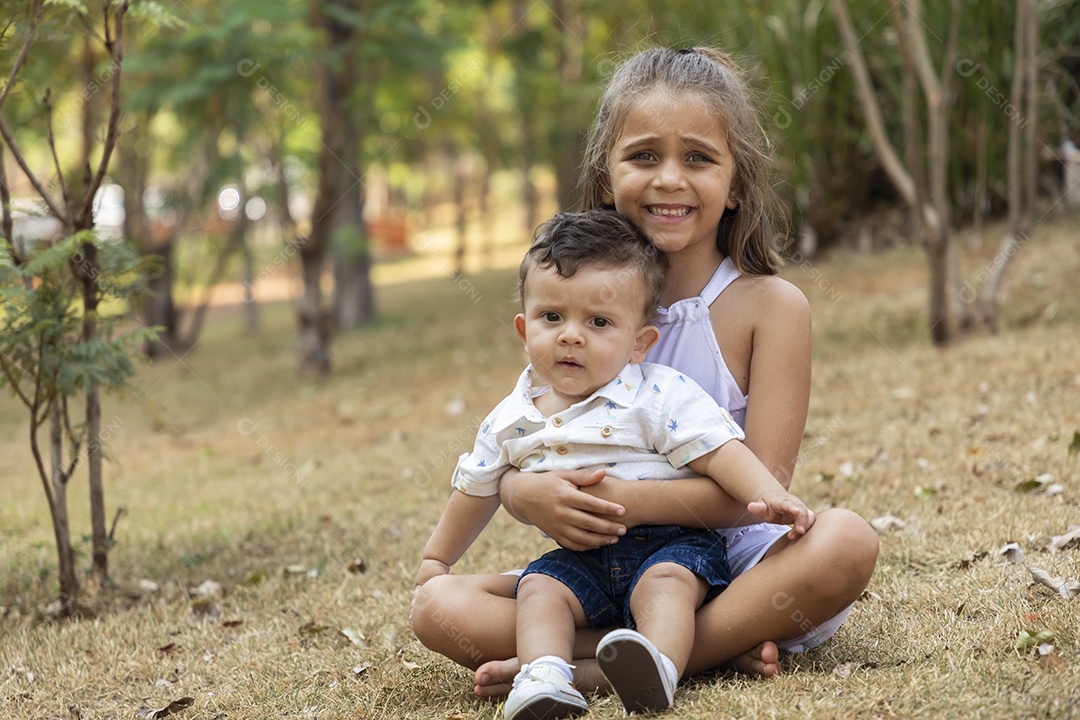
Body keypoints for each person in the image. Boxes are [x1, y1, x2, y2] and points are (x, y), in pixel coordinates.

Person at [411, 46, 879, 698]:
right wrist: (518, 493)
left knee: (846, 542)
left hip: (732, 563)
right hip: (597, 568)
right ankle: (695, 648)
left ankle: (595, 664)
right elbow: (526, 434)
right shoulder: (575, 306)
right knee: (437, 608)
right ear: (606, 176)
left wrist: (615, 501)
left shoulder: (771, 307)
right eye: (643, 156)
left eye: (698, 158)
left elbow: (761, 495)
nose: (669, 179)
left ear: (736, 183)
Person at [414, 210, 816, 719]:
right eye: (551, 318)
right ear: (523, 329)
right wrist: (436, 561)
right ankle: (544, 675)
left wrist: (768, 492)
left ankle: (659, 666)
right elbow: (475, 488)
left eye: (599, 322)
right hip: (583, 558)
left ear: (640, 343)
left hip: (672, 543)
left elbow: (719, 452)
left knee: (667, 585)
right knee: (540, 589)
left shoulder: (656, 394)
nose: (571, 336)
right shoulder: (511, 418)